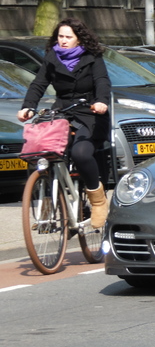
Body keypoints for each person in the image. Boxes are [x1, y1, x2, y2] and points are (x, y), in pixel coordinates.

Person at [17, 17, 111, 229]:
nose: (64, 41)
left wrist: (101, 102)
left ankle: (98, 201)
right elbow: (38, 84)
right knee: (39, 150)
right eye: (61, 36)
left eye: (69, 37)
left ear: (79, 39)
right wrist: (28, 106)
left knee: (80, 153)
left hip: (89, 112)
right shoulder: (52, 58)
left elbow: (102, 81)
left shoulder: (92, 57)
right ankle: (47, 202)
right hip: (62, 112)